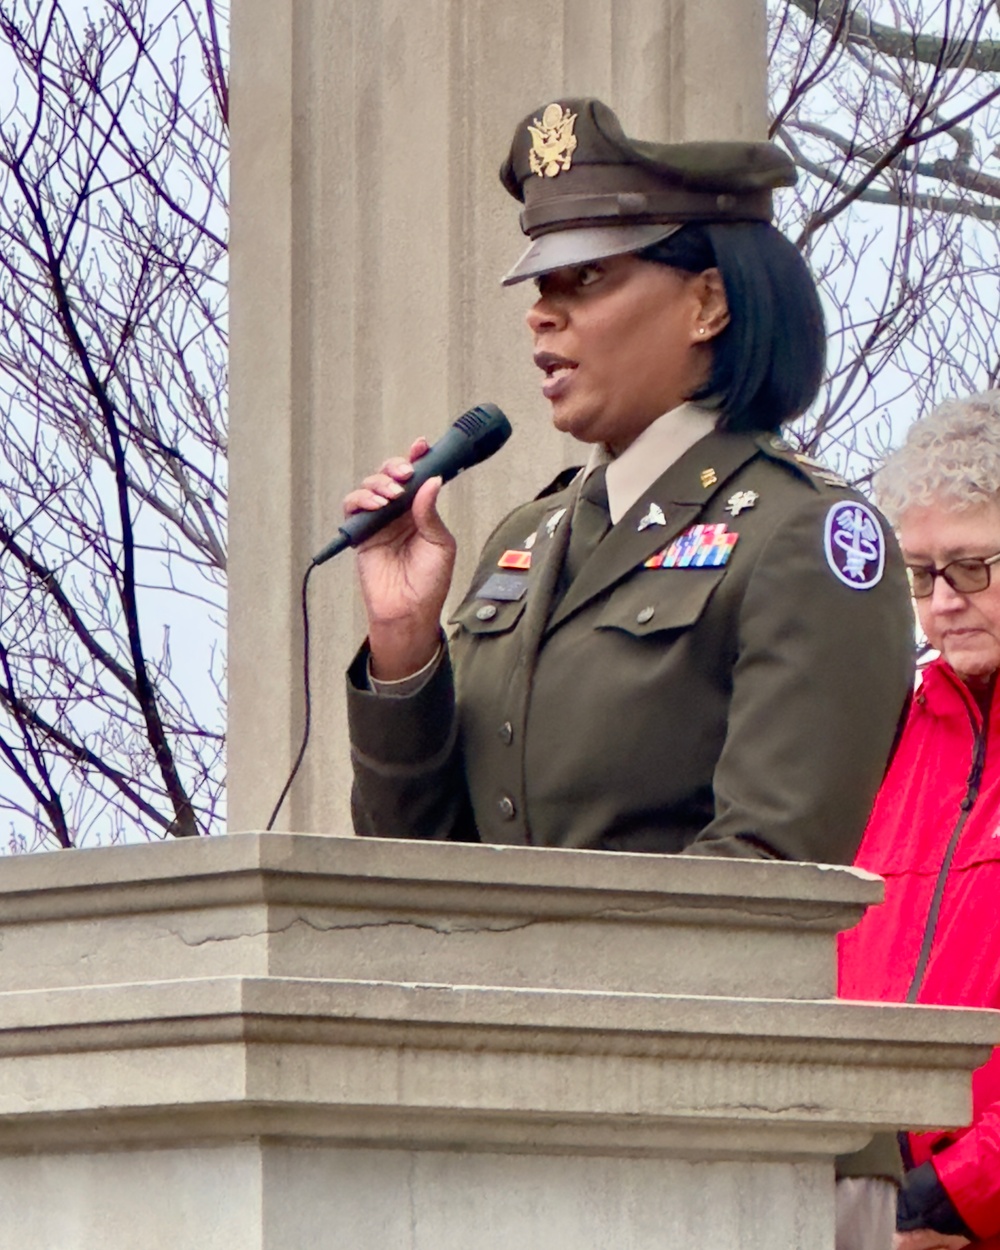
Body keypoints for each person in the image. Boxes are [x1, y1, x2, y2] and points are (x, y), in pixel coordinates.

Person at [345, 96, 913, 865]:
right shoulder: (528, 537)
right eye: (542, 289)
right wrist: (404, 645)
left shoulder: (801, 533)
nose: (541, 316)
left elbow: (771, 874)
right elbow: (415, 864)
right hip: (491, 985)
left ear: (707, 303)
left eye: (584, 278)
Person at [839, 391, 1000, 1250]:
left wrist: (954, 1198)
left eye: (972, 567)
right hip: (869, 1199)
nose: (942, 601)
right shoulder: (890, 737)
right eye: (921, 573)